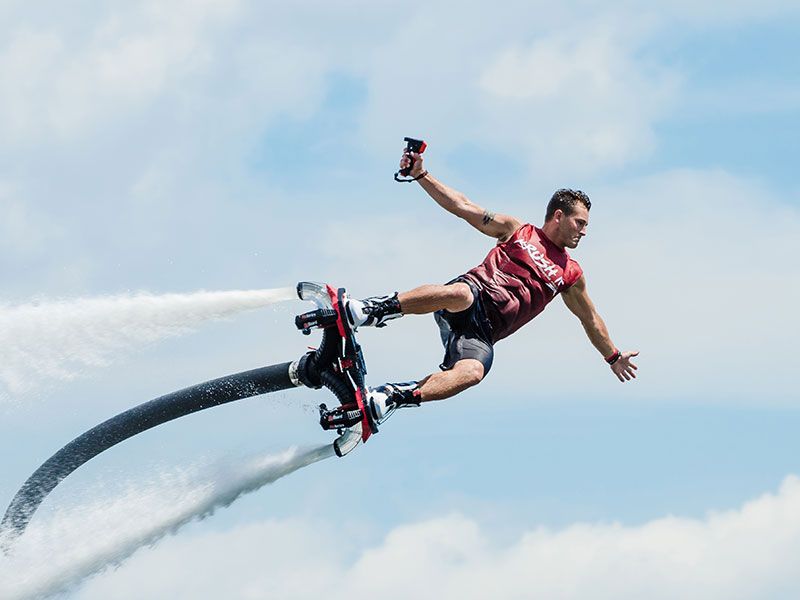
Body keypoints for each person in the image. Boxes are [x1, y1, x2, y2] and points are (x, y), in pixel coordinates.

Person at [347, 148, 639, 422]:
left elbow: (590, 319)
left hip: (483, 333)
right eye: (580, 223)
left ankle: (391, 397)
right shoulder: (517, 230)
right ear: (559, 216)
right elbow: (462, 207)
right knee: (461, 294)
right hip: (470, 298)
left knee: (474, 372)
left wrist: (612, 356)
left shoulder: (570, 273)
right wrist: (421, 175)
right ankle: (371, 310)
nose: (584, 231)